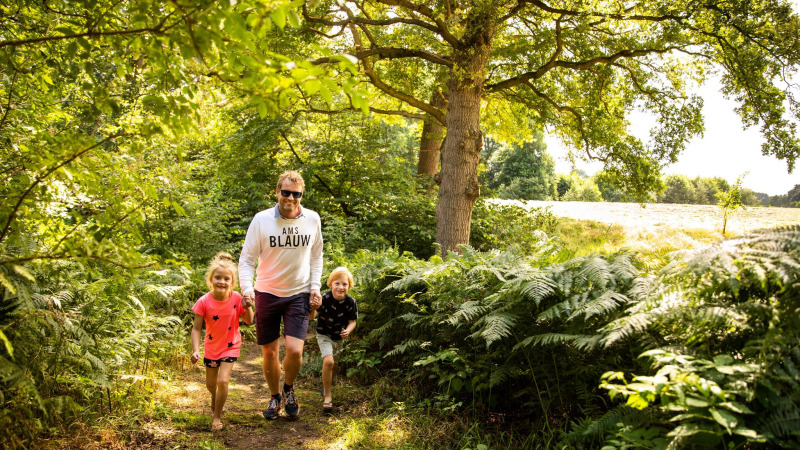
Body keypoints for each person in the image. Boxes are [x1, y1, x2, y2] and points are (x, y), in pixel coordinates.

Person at [238, 170, 324, 420]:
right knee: (270, 353)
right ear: (277, 192)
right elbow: (246, 260)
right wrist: (246, 289)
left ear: (301, 195)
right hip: (266, 293)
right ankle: (275, 396)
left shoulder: (312, 219)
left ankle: (289, 389)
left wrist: (315, 286)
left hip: (298, 293)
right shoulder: (262, 220)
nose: (290, 198)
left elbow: (317, 256)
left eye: (296, 194)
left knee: (295, 351)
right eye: (285, 192)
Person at [191, 252, 254, 431]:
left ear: (232, 282)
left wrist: (249, 306)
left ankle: (217, 417)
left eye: (226, 279)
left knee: (223, 381)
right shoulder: (203, 301)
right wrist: (195, 350)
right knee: (211, 384)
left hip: (231, 345)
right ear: (210, 279)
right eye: (218, 278)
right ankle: (215, 396)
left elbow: (249, 320)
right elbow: (196, 328)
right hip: (211, 347)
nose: (222, 282)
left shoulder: (236, 298)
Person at [310, 266, 358, 414]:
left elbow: (353, 321)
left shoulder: (350, 302)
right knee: (329, 361)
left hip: (339, 337)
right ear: (330, 284)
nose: (341, 287)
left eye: (344, 284)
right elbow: (311, 317)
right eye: (337, 283)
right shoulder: (324, 298)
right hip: (323, 334)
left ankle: (327, 384)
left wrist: (347, 331)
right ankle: (328, 395)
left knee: (334, 364)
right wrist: (312, 308)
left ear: (349, 286)